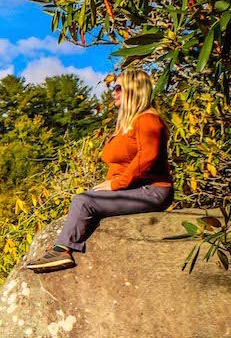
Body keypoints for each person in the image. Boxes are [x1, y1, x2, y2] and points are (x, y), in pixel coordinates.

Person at [27, 68, 173, 272]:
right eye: (114, 88)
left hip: (153, 191)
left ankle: (62, 251)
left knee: (83, 201)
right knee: (88, 198)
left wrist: (115, 185)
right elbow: (118, 162)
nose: (114, 92)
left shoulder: (147, 120)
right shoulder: (127, 124)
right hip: (137, 189)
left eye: (119, 88)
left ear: (134, 90)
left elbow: (147, 159)